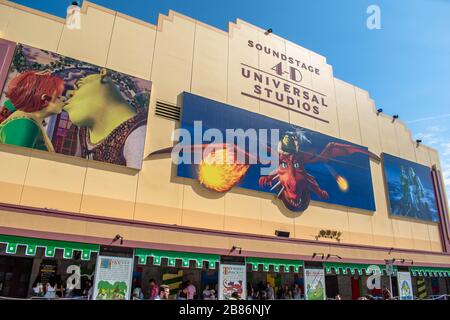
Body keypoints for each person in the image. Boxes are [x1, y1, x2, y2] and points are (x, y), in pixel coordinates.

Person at [63, 69, 148, 168]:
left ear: (103, 79)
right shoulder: (84, 131)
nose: (69, 94)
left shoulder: (137, 135)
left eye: (79, 86)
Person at [0, 71, 65, 151]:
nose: (63, 98)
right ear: (44, 98)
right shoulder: (26, 123)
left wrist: (34, 81)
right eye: (58, 96)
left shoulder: (25, 119)